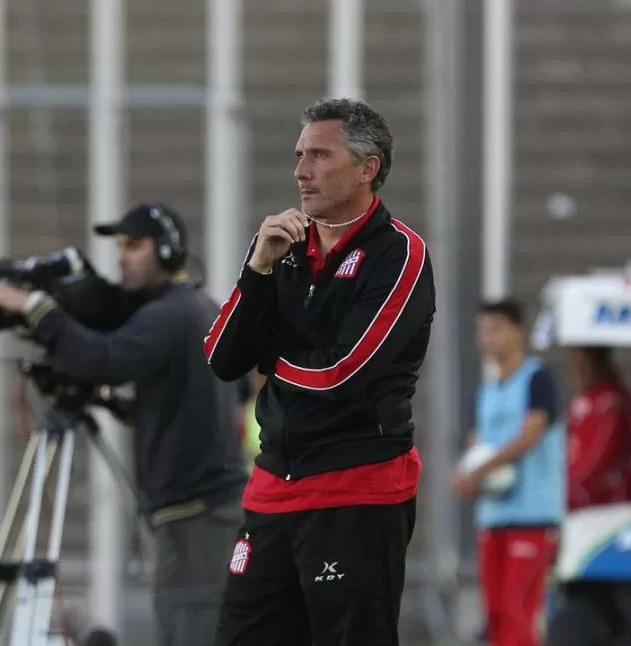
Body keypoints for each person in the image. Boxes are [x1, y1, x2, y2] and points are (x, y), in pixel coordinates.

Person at [203, 97, 435, 646]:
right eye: (299, 154)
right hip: (272, 488)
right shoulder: (281, 248)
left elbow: (344, 372)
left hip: (357, 490)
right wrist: (256, 270)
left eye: (319, 155)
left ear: (367, 168)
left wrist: (273, 361)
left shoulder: (400, 252)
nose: (300, 170)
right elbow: (221, 357)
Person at [0, 203, 248, 646]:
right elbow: (221, 394)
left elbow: (102, 359)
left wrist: (36, 308)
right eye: (119, 246)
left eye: (134, 245)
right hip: (205, 512)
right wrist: (138, 410)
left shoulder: (169, 315)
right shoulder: (196, 306)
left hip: (198, 516)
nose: (121, 256)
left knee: (189, 634)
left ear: (166, 250)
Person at [453, 299, 564, 646]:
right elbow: (475, 448)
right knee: (496, 614)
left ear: (518, 331)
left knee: (519, 610)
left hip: (531, 516)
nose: (489, 338)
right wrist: (466, 477)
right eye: (483, 331)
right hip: (492, 517)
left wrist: (483, 468)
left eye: (497, 328)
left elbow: (531, 433)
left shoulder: (537, 379)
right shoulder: (484, 392)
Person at [566, 346, 631, 511]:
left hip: (614, 499)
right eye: (575, 363)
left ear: (600, 364)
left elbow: (600, 458)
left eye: (584, 363)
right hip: (582, 492)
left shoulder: (613, 403)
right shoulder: (581, 401)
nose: (577, 370)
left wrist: (570, 486)